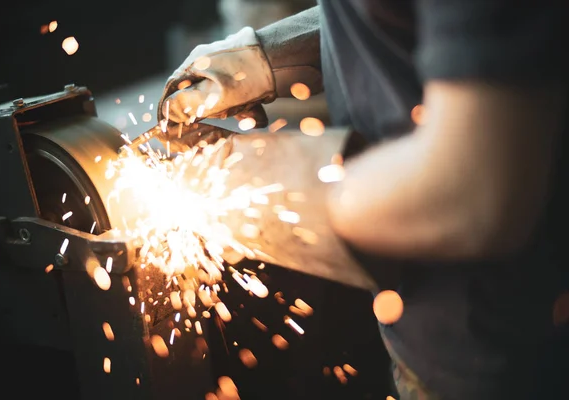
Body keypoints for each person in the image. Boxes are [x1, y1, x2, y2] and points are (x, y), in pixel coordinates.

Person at [157, 1, 569, 399]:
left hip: (506, 354)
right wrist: (268, 56)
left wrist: (267, 186)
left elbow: (475, 191)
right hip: (421, 328)